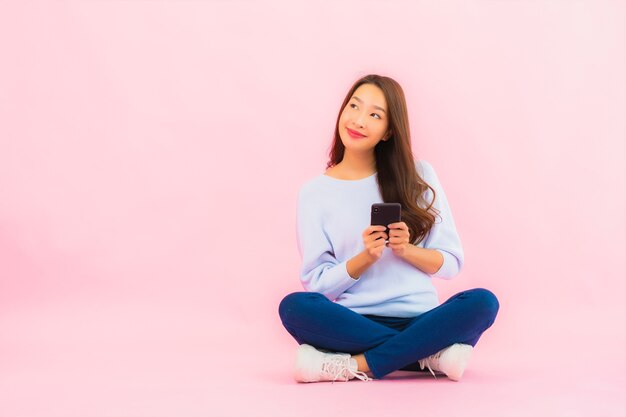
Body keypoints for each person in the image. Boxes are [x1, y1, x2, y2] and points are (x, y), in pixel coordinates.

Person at [278, 74, 499, 383]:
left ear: (388, 131)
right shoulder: (314, 193)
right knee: (294, 307)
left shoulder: (419, 175)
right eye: (354, 106)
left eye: (374, 115)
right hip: (354, 322)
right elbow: (316, 285)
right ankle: (427, 355)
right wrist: (364, 259)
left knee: (483, 302)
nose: (358, 120)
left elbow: (450, 264)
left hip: (423, 319)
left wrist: (406, 250)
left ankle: (354, 365)